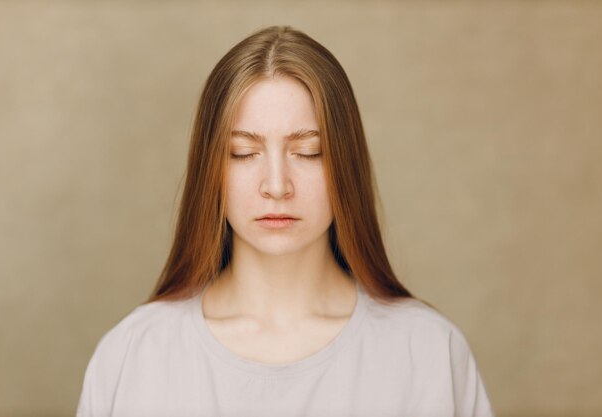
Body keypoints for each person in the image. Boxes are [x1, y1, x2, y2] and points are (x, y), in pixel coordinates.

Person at [76, 25, 495, 417]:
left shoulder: (428, 352)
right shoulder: (134, 354)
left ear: (345, 166)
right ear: (211, 170)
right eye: (243, 152)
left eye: (308, 152)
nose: (276, 185)